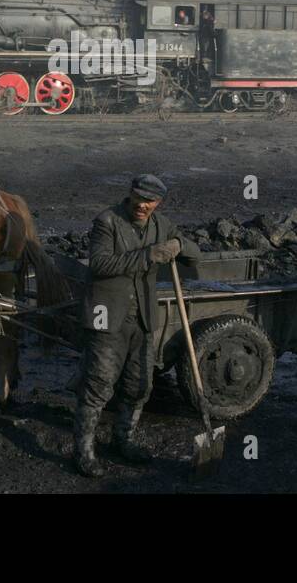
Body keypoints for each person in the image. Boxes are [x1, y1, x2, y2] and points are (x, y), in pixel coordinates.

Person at [73, 174, 199, 477]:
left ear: (159, 203)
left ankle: (124, 440)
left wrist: (178, 243)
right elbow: (100, 265)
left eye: (150, 201)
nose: (143, 205)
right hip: (107, 316)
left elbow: (195, 256)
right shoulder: (107, 221)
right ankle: (83, 450)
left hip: (142, 317)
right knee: (99, 384)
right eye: (139, 198)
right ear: (129, 195)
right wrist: (148, 255)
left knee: (140, 385)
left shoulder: (162, 225)